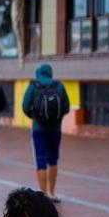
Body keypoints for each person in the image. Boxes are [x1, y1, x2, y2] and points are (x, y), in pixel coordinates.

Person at [21, 63, 70, 202]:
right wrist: (56, 117)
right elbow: (66, 107)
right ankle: (52, 193)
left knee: (40, 161)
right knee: (53, 160)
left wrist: (35, 117)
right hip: (55, 129)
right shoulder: (59, 86)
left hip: (38, 129)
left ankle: (43, 195)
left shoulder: (33, 86)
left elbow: (25, 106)